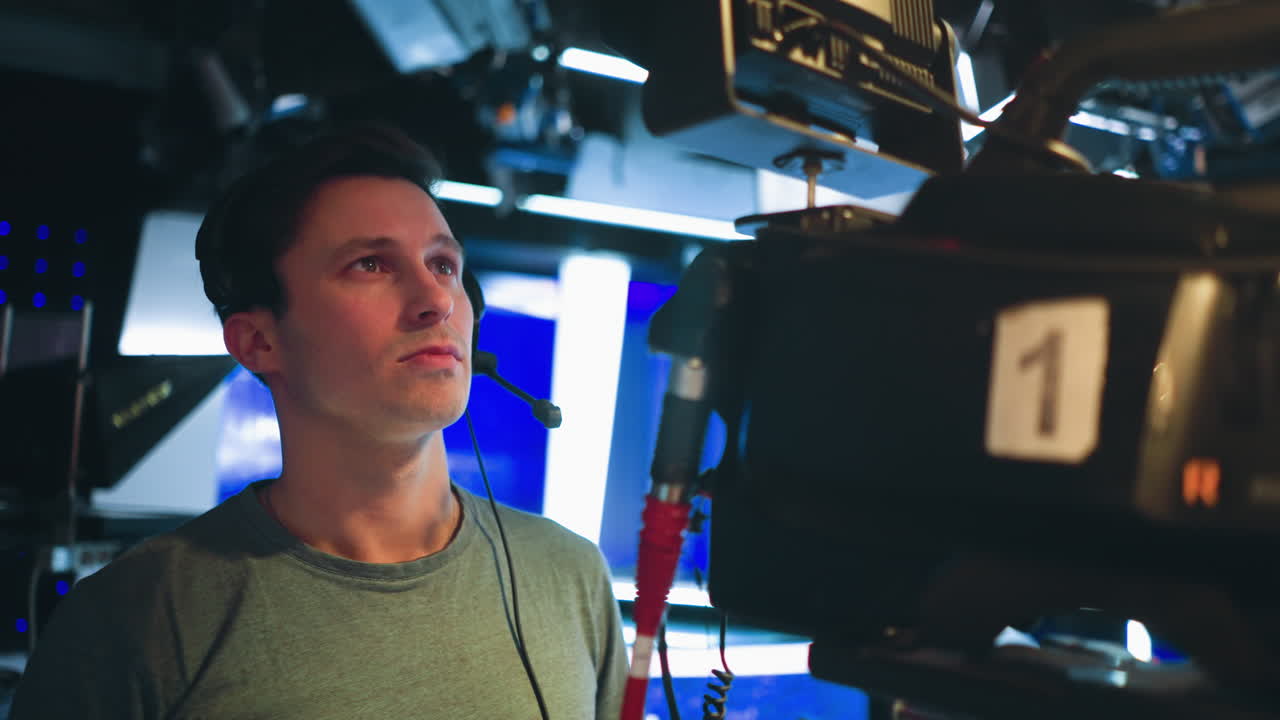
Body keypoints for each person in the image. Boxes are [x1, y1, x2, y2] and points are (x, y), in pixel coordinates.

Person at [10, 124, 628, 719]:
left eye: (443, 265)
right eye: (371, 265)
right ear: (258, 342)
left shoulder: (568, 575)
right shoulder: (132, 619)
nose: (436, 300)